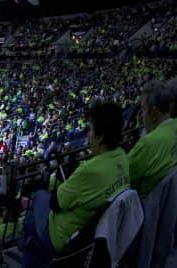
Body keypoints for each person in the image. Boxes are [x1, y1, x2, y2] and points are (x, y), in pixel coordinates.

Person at [21, 102, 130, 268]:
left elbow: (56, 203)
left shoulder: (90, 170)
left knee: (36, 202)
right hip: (90, 235)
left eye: (91, 130)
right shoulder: (122, 157)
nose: (88, 135)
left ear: (100, 136)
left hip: (65, 237)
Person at [128, 80, 177, 197]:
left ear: (154, 112)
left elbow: (118, 179)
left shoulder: (147, 144)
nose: (141, 115)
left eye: (143, 109)